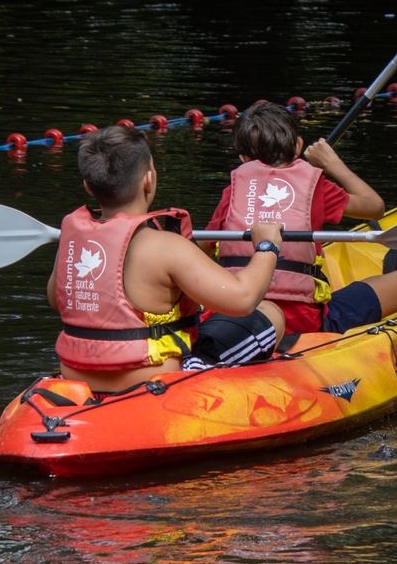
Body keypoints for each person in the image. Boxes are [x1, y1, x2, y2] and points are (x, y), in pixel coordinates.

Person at [48, 124, 287, 392]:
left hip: (77, 375)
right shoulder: (166, 247)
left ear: (88, 187)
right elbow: (243, 299)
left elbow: (58, 301)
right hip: (154, 383)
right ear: (148, 180)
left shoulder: (74, 239)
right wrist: (267, 245)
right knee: (270, 313)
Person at [191, 100, 397, 367]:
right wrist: (332, 162)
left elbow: (200, 249)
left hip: (234, 317)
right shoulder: (318, 188)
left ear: (243, 159)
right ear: (297, 145)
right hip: (304, 321)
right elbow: (374, 207)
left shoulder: (234, 191)